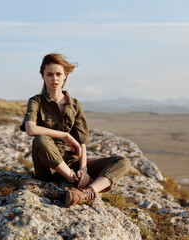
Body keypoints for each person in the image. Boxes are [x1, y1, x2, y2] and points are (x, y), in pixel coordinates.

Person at [20, 53, 130, 207]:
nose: (54, 78)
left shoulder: (74, 104)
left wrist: (84, 170)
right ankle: (72, 179)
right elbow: (30, 129)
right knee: (41, 139)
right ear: (42, 76)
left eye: (58, 74)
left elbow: (82, 141)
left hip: (73, 162)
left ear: (65, 76)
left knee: (123, 162)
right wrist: (65, 135)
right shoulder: (36, 101)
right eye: (49, 74)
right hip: (48, 167)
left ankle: (87, 192)